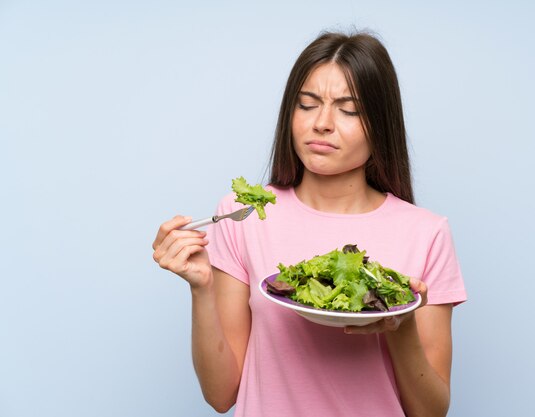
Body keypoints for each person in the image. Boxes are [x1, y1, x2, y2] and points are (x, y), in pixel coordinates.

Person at [152, 30, 467, 417]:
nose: (322, 123)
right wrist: (201, 289)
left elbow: (431, 411)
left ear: (381, 125)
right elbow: (221, 395)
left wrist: (400, 327)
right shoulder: (244, 214)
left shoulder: (426, 233)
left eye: (349, 110)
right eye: (307, 104)